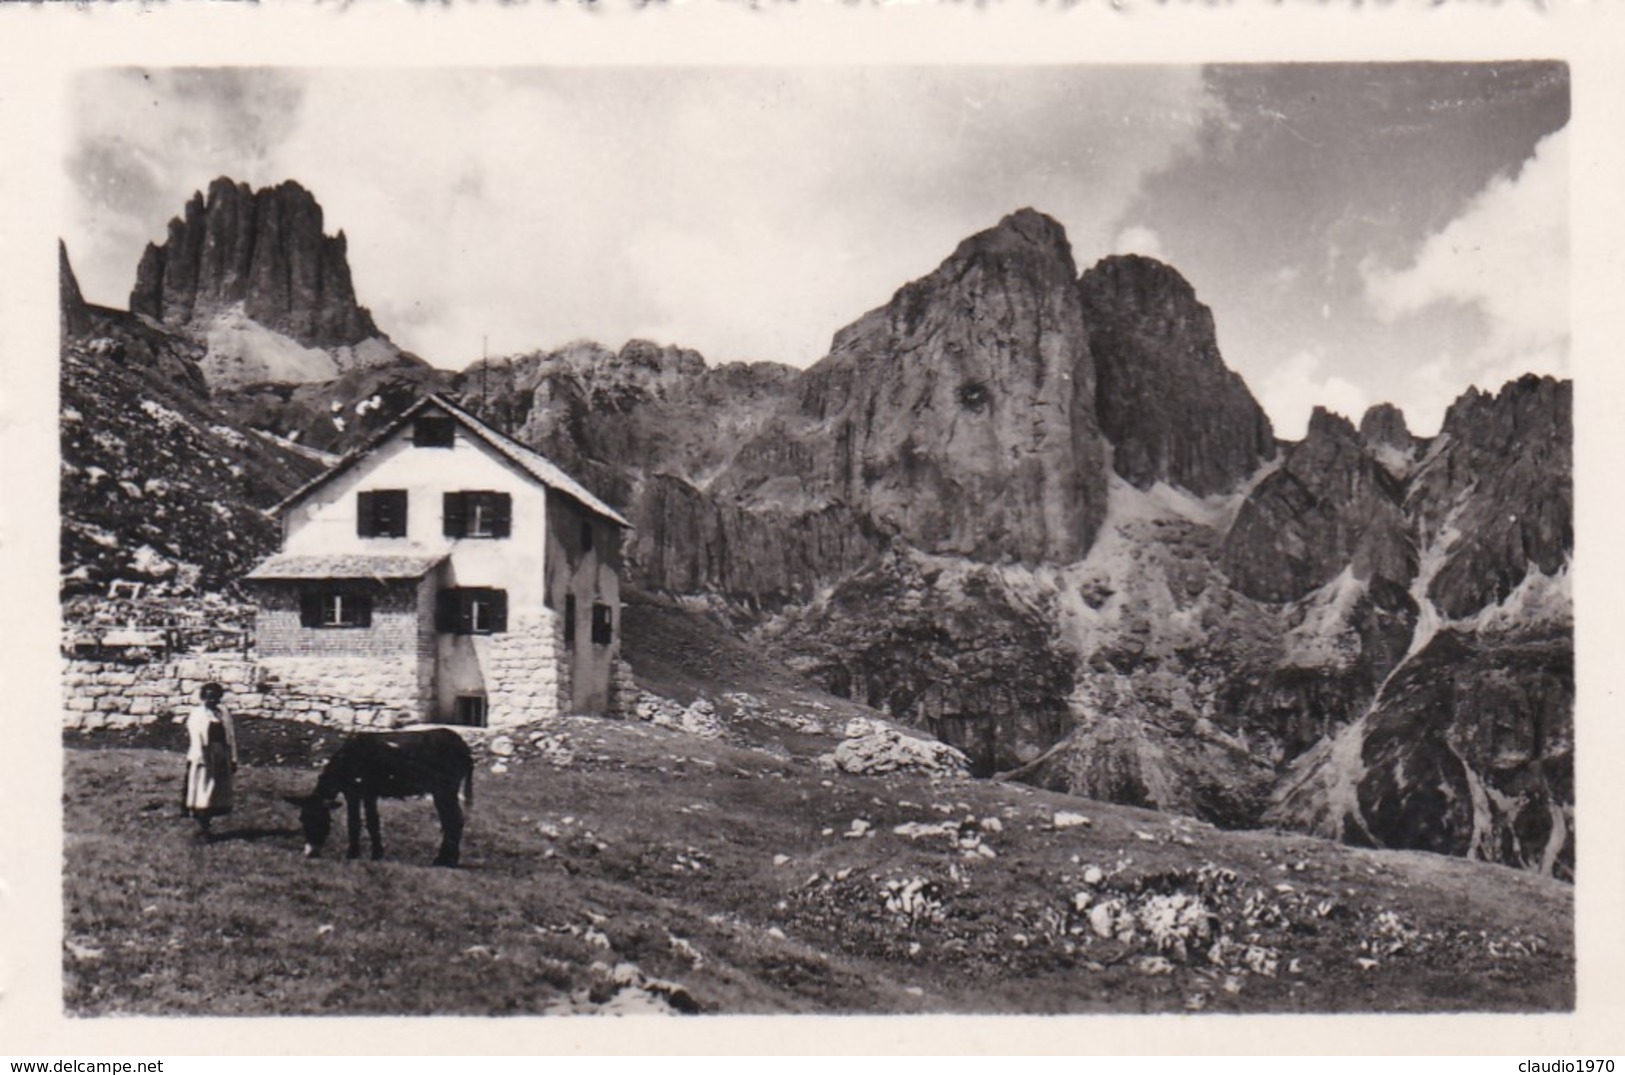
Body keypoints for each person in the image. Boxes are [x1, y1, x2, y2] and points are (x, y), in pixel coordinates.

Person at [182, 681, 239, 838]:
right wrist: (201, 758)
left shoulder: (223, 713)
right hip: (205, 756)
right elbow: (196, 738)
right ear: (202, 698)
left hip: (221, 755)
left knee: (217, 791)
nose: (212, 701)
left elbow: (231, 737)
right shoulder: (197, 714)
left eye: (215, 698)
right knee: (203, 790)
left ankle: (210, 821)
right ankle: (202, 825)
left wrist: (233, 758)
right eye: (208, 698)